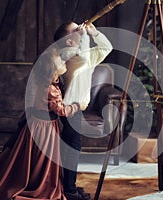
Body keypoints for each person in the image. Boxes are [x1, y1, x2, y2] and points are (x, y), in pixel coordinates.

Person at [0, 46, 81, 200]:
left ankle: (33, 177)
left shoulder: (46, 84)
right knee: (43, 157)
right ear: (52, 70)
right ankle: (40, 183)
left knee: (33, 157)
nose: (63, 60)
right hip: (44, 128)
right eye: (60, 60)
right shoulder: (51, 90)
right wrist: (78, 106)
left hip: (35, 124)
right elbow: (61, 110)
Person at [53, 21, 112, 200]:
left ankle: (67, 185)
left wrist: (94, 33)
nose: (81, 29)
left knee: (71, 148)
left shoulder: (83, 53)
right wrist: (85, 36)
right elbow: (84, 56)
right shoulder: (69, 55)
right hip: (69, 109)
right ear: (69, 41)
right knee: (72, 148)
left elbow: (107, 47)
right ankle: (69, 191)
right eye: (76, 29)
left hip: (77, 109)